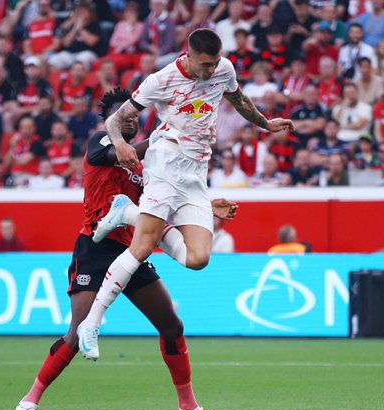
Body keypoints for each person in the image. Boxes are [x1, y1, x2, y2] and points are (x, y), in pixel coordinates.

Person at [11, 88, 237, 410]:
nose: (130, 119)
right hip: (94, 248)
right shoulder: (99, 144)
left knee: (172, 326)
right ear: (111, 121)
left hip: (132, 250)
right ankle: (29, 402)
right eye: (123, 115)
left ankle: (189, 409)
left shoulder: (145, 168)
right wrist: (163, 136)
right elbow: (120, 151)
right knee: (77, 332)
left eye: (134, 115)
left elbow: (162, 206)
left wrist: (206, 206)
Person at [77, 29, 292, 360]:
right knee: (142, 246)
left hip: (196, 173)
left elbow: (239, 100)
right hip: (165, 160)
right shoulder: (160, 80)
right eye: (205, 64)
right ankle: (91, 323)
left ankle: (126, 212)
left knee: (198, 259)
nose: (210, 71)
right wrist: (120, 142)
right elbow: (116, 119)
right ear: (188, 56)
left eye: (215, 63)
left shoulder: (224, 70)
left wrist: (266, 123)